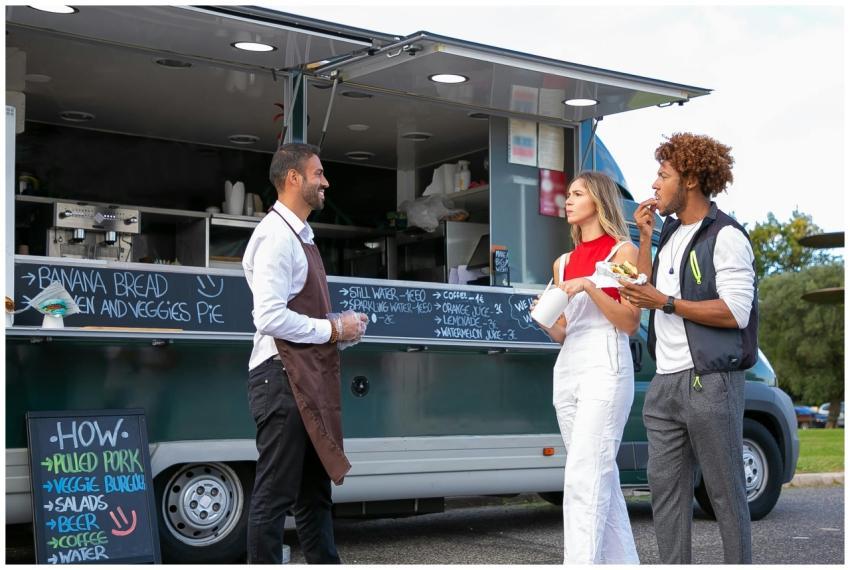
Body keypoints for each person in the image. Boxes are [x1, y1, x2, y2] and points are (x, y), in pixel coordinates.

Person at [620, 132, 757, 564]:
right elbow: (649, 290)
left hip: (711, 383)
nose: (655, 184)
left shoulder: (727, 235)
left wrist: (668, 304)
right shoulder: (672, 232)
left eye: (664, 175)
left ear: (691, 180)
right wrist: (645, 239)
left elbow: (735, 311)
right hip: (666, 385)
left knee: (725, 495)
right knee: (666, 497)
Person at [242, 142, 368, 564]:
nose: (325, 181)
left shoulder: (299, 235)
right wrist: (333, 328)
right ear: (293, 179)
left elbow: (295, 311)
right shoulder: (277, 237)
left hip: (301, 380)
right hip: (280, 381)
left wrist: (343, 329)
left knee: (314, 497)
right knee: (274, 496)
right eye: (318, 174)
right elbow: (270, 317)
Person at [531, 171, 641, 564]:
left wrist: (591, 286)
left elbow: (630, 323)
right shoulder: (562, 263)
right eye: (568, 194)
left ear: (598, 200)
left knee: (583, 478)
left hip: (606, 364)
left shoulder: (623, 253)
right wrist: (544, 320)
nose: (568, 200)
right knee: (599, 477)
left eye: (577, 193)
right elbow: (563, 332)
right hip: (569, 367)